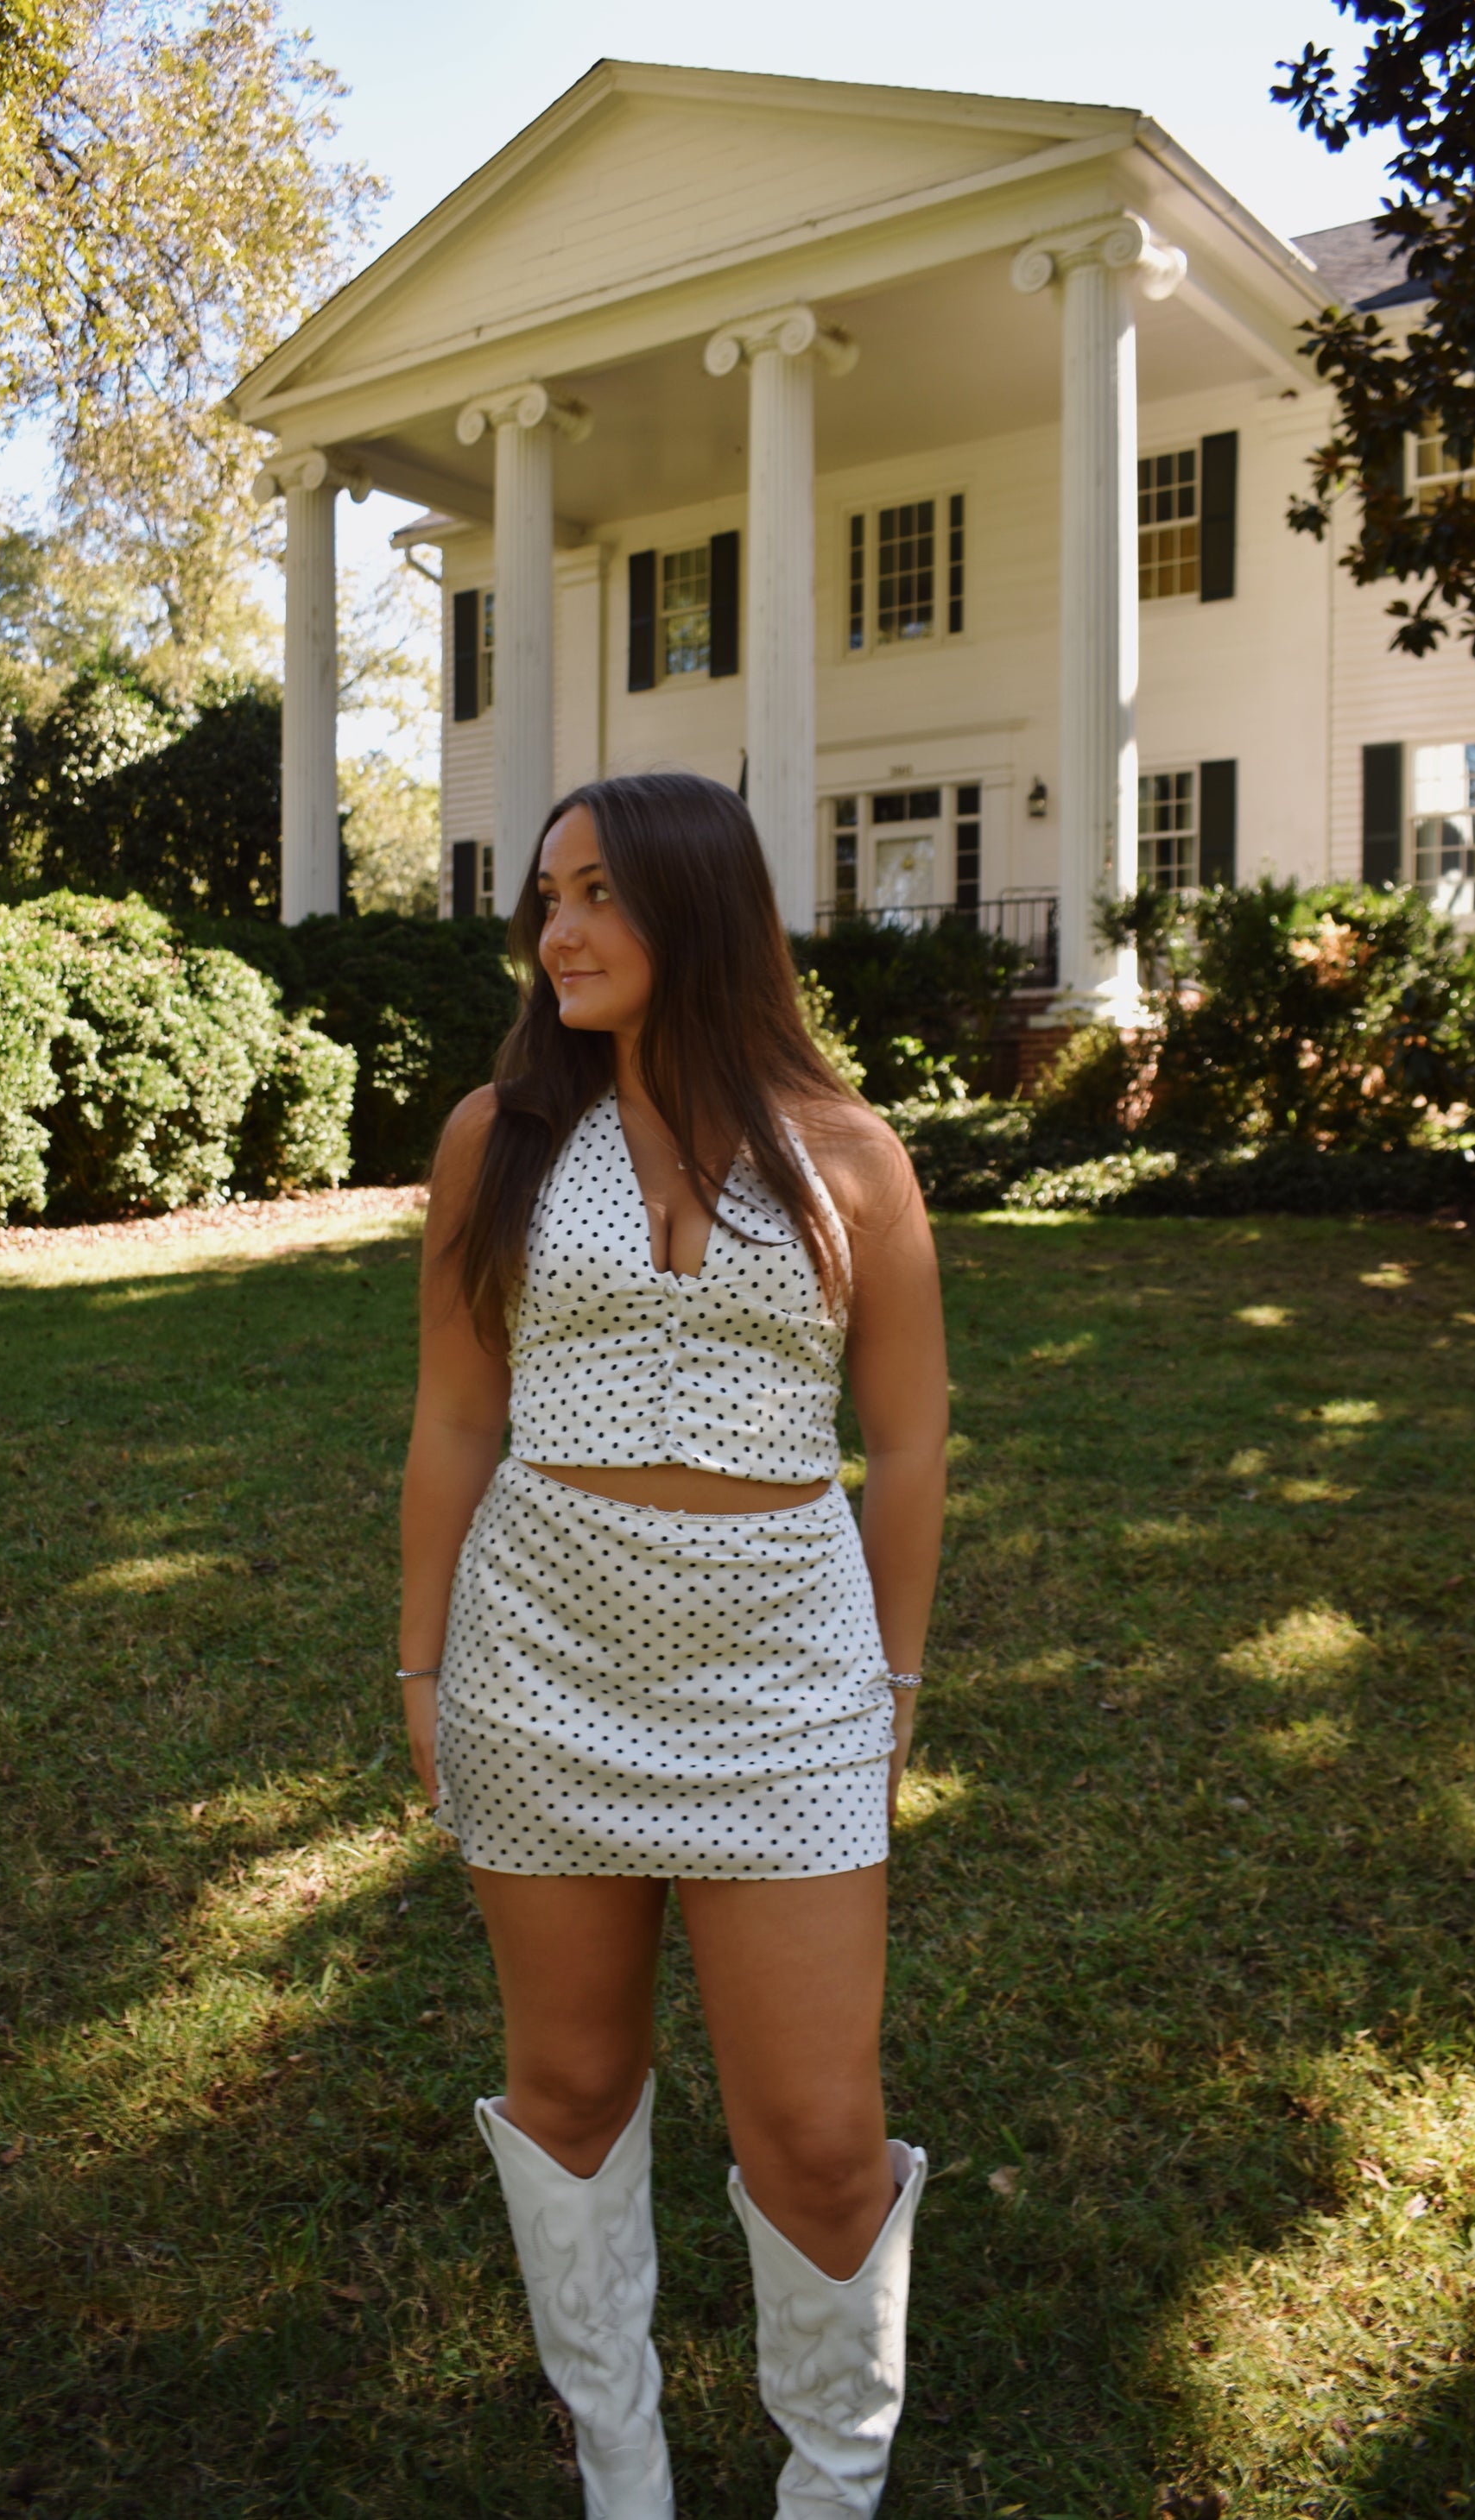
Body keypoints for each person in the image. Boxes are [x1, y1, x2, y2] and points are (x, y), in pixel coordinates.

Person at [398, 771, 948, 2518]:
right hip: (537, 1656)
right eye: (545, 897)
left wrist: (894, 1681)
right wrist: (419, 1668)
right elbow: (452, 1415)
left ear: (698, 907)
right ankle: (620, 2468)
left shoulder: (848, 1154)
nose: (557, 930)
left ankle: (830, 2482)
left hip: (785, 1680)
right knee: (564, 2076)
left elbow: (913, 1441)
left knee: (817, 2127)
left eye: (598, 895)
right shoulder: (503, 1132)